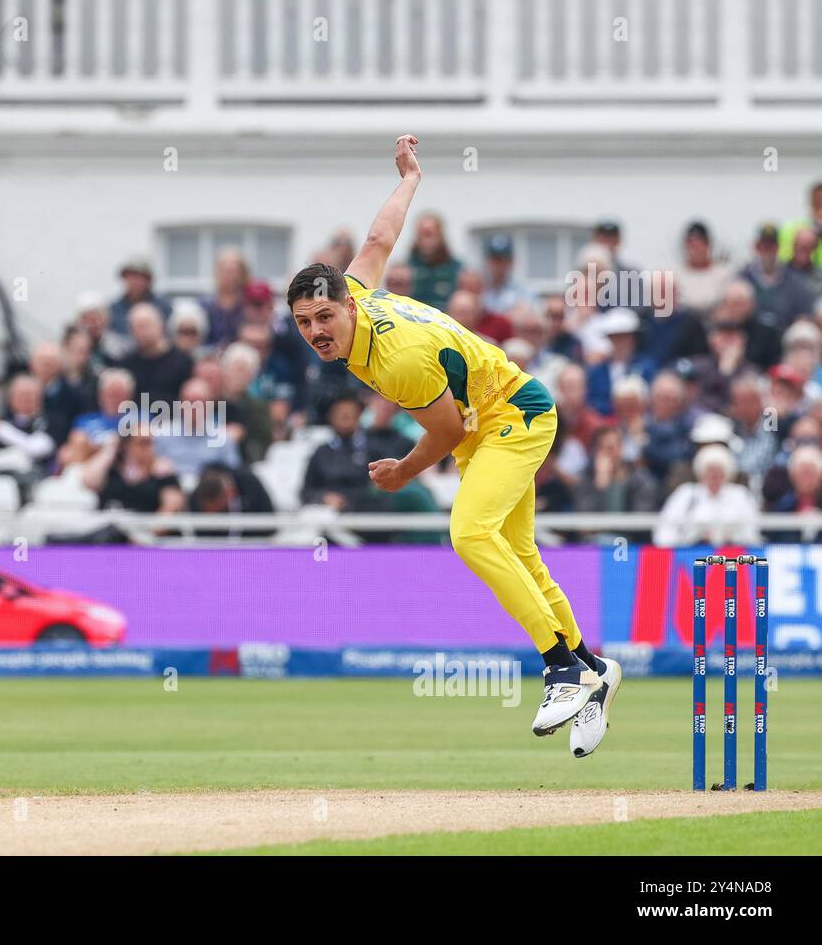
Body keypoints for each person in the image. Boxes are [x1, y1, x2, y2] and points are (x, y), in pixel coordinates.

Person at [285, 134, 619, 756]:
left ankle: (562, 670)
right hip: (491, 418)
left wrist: (404, 472)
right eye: (305, 323)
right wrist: (410, 178)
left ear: (346, 308)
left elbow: (447, 432)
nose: (316, 333)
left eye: (324, 319)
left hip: (512, 417)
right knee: (518, 552)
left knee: (468, 534)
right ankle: (591, 669)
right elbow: (380, 240)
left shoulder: (395, 362)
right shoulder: (351, 289)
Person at [653, 443, 760, 547]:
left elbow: (751, 534)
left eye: (719, 471)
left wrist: (729, 538)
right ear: (701, 472)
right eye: (710, 470)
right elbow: (664, 531)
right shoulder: (687, 494)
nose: (714, 475)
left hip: (733, 555)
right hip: (692, 555)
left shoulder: (739, 495)